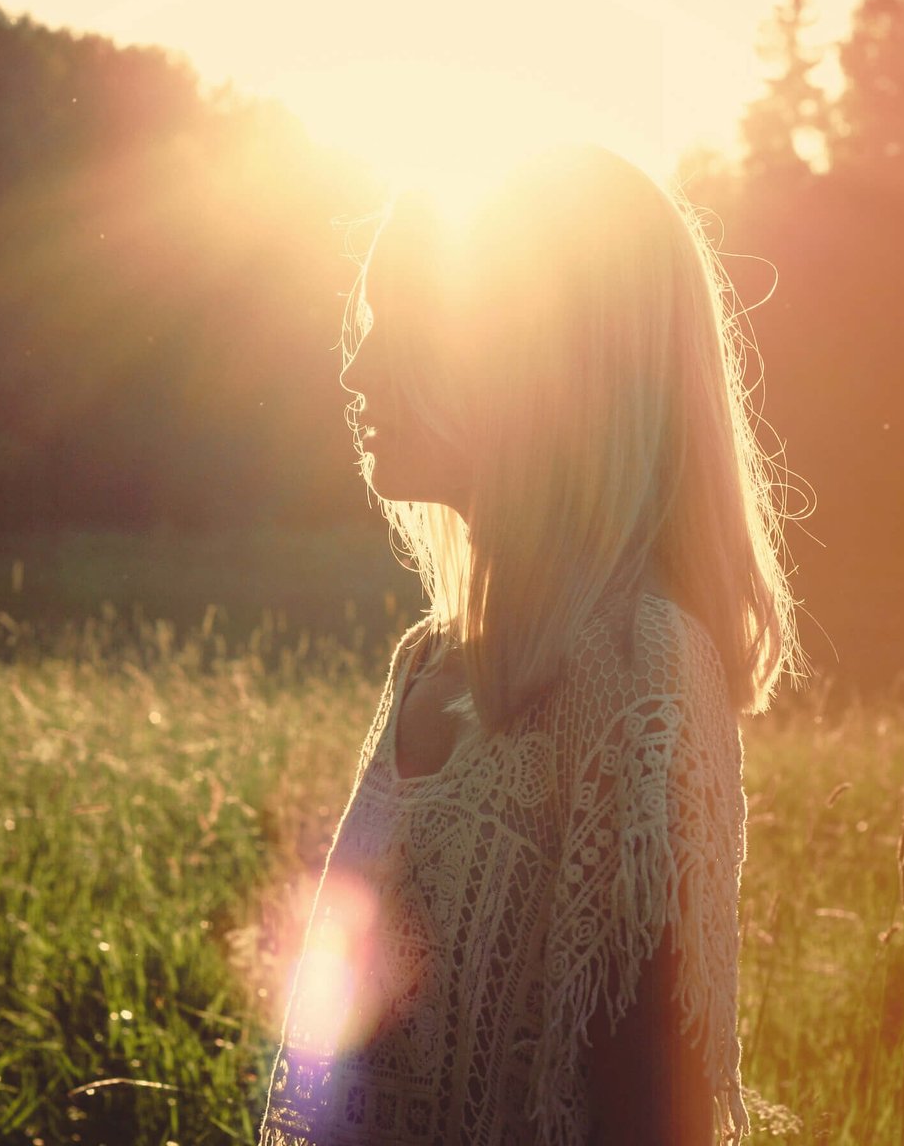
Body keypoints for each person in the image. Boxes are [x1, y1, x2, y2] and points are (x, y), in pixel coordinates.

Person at [257, 143, 805, 1145]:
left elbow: (654, 1111)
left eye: (404, 323)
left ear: (536, 359)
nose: (355, 364)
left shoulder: (641, 672)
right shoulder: (428, 658)